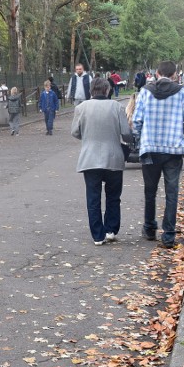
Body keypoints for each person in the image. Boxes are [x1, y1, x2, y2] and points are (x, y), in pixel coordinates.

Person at [132, 60, 184, 249]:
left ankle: (150, 228)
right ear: (174, 75)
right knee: (171, 192)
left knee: (150, 190)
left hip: (150, 148)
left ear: (157, 73)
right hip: (173, 149)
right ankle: (168, 234)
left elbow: (136, 121)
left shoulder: (145, 91)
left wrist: (140, 139)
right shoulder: (182, 92)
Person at [71, 78, 133, 245]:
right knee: (113, 196)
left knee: (93, 197)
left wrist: (89, 136)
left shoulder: (81, 108)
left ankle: (97, 235)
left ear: (91, 91)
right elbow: (126, 134)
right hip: (113, 157)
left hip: (89, 158)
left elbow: (75, 132)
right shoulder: (117, 107)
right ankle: (111, 229)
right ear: (107, 91)